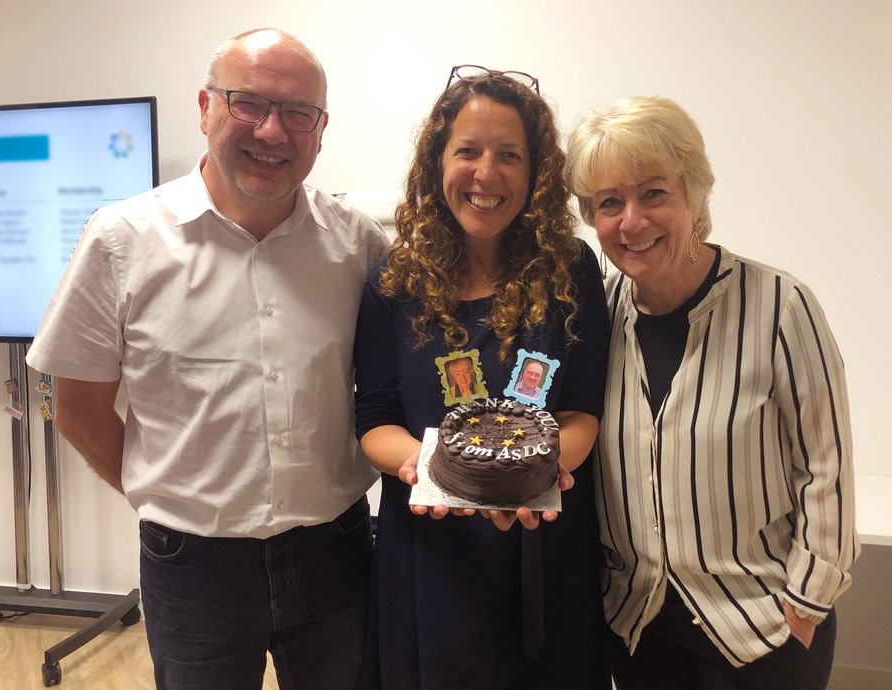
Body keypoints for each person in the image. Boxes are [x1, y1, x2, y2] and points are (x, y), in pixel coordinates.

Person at [27, 29, 389, 689]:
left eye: (297, 113)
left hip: (334, 555)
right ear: (205, 107)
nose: (272, 131)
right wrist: (165, 490)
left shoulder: (357, 246)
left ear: (321, 129)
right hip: (191, 566)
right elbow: (76, 404)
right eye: (248, 103)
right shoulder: (121, 239)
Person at [565, 95, 858, 689]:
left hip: (762, 627)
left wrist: (806, 601)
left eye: (654, 193)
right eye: (608, 203)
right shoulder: (596, 316)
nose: (632, 221)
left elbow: (826, 465)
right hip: (640, 626)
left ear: (694, 195)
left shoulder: (780, 305)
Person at [353, 65, 612, 689]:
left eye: (510, 156)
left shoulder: (572, 269)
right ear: (436, 162)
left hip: (547, 549)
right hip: (431, 560)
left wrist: (526, 480)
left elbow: (582, 409)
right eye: (467, 150)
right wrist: (441, 474)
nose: (486, 174)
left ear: (537, 173)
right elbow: (374, 421)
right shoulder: (396, 282)